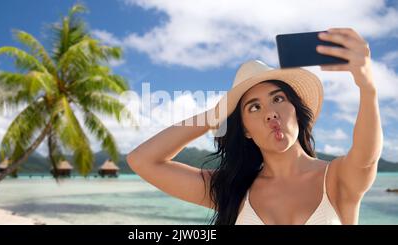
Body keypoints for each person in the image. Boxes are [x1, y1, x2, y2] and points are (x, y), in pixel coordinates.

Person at [126, 28, 383, 225]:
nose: (270, 113)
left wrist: (367, 87)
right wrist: (213, 117)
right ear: (246, 130)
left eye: (278, 99)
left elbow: (366, 158)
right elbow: (142, 160)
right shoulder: (232, 190)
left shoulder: (337, 178)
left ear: (295, 109)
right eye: (254, 107)